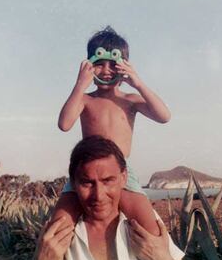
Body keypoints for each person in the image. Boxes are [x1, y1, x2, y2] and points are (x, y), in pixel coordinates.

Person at [53, 26, 171, 237]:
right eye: (99, 64)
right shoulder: (85, 99)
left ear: (124, 66)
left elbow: (164, 116)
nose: (106, 70)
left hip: (119, 169)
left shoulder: (129, 100)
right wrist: (80, 84)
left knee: (149, 227)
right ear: (89, 65)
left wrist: (138, 83)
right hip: (86, 169)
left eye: (113, 65)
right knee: (58, 225)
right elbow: (64, 124)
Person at [33, 136, 186, 260]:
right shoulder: (59, 238)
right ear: (73, 183)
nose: (99, 196)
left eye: (108, 181)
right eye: (87, 183)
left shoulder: (145, 226)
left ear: (124, 178)